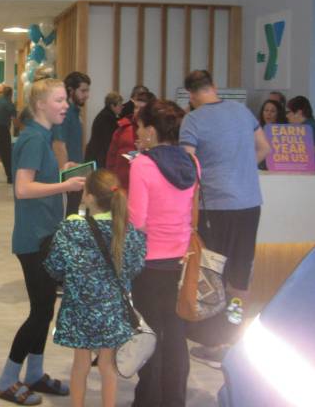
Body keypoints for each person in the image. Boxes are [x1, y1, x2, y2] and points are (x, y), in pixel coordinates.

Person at [0, 78, 86, 406]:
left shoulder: (41, 137)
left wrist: (63, 174)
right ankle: (8, 379)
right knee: (40, 312)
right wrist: (65, 187)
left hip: (44, 234)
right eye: (59, 100)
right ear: (40, 105)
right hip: (33, 240)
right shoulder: (34, 138)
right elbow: (23, 188)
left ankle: (34, 374)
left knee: (45, 310)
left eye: (65, 100)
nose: (65, 105)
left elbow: (37, 181)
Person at [179, 70, 270, 368]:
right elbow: (264, 148)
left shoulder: (193, 119)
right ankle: (235, 338)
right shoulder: (242, 112)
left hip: (215, 206)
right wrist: (240, 167)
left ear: (191, 96)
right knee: (240, 275)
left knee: (213, 272)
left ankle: (216, 341)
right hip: (249, 204)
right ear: (214, 87)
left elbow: (186, 164)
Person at [44, 169, 145, 407]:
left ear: (89, 197)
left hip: (79, 309)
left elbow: (54, 266)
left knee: (80, 365)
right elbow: (136, 266)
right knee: (108, 366)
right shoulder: (126, 230)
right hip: (112, 311)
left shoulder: (71, 228)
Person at [128, 100, 198, 407]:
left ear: (152, 131)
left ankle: (147, 400)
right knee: (175, 331)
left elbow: (137, 220)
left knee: (150, 333)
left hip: (149, 262)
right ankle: (174, 400)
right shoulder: (193, 163)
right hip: (182, 260)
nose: (138, 132)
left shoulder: (142, 164)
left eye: (140, 127)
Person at [53, 71, 91, 215]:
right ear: (70, 90)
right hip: (69, 177)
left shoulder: (75, 112)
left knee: (72, 214)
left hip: (76, 173)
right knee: (67, 217)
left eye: (87, 90)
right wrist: (66, 180)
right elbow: (58, 145)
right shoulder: (64, 113)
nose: (87, 95)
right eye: (83, 90)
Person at [106, 91, 156, 191]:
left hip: (146, 188)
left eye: (142, 109)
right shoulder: (122, 129)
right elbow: (110, 160)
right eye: (136, 107)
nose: (138, 111)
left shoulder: (157, 133)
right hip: (121, 188)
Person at [85, 91, 124, 169]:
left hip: (96, 153)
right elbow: (108, 142)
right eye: (120, 105)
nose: (122, 107)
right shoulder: (107, 118)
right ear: (112, 106)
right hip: (99, 156)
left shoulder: (106, 115)